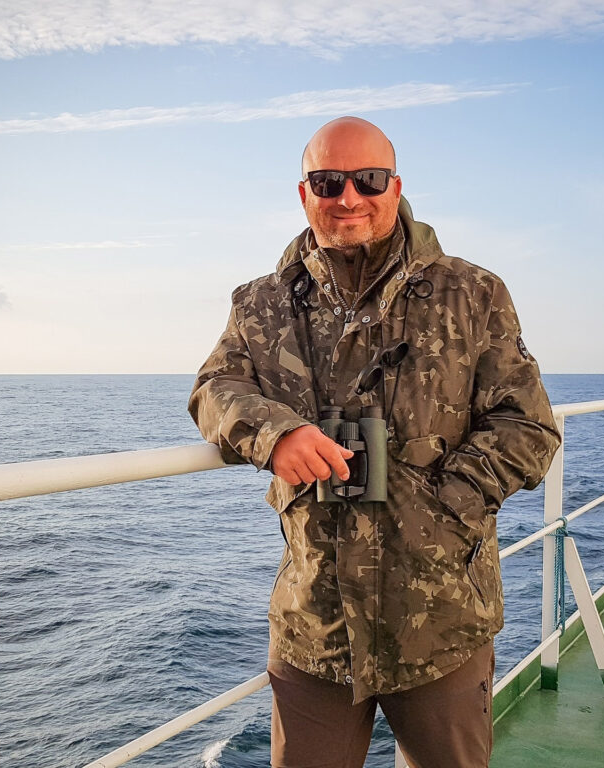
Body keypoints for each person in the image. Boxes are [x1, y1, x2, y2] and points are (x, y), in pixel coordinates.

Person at [188, 116, 560, 768]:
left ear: (396, 186)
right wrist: (277, 434)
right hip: (317, 627)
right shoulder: (262, 304)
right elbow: (214, 391)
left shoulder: (472, 294)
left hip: (442, 619)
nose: (349, 197)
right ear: (304, 193)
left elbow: (527, 425)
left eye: (368, 179)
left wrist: (445, 509)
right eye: (328, 181)